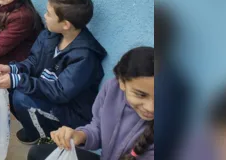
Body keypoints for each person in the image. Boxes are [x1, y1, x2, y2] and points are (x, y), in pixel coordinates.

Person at [0, 0, 107, 144]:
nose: (45, 16)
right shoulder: (50, 35)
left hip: (70, 112)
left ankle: (43, 137)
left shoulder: (85, 57)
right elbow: (33, 62)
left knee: (21, 96)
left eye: (49, 13)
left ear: (65, 24)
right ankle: (34, 124)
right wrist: (12, 69)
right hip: (49, 94)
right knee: (9, 84)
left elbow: (59, 92)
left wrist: (18, 80)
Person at [27, 47, 155, 160]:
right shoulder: (112, 89)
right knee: (37, 153)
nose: (151, 108)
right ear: (121, 82)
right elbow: (98, 127)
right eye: (140, 94)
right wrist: (79, 135)